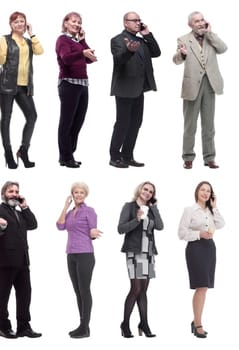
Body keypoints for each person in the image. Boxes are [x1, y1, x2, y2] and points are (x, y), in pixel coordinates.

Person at [0, 11, 43, 169]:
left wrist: (32, 34)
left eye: (22, 21)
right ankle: (8, 152)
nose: (20, 24)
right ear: (11, 25)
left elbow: (40, 52)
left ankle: (24, 150)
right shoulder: (5, 39)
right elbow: (1, 61)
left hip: (24, 86)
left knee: (32, 116)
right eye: (16, 22)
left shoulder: (28, 41)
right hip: (6, 85)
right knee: (6, 118)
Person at [173, 12, 227, 169]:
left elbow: (223, 49)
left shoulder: (211, 37)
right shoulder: (183, 39)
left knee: (209, 125)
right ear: (190, 24)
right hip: (192, 87)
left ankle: (209, 157)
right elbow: (175, 60)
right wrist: (181, 54)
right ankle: (188, 157)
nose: (200, 23)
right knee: (190, 125)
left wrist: (210, 33)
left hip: (210, 84)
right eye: (197, 21)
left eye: (202, 19)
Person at [108, 12, 160, 168]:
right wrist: (129, 51)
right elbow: (119, 59)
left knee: (136, 123)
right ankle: (115, 157)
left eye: (139, 20)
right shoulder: (117, 40)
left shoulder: (141, 40)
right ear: (125, 23)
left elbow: (156, 53)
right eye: (134, 20)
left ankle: (128, 156)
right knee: (122, 123)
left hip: (139, 88)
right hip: (124, 88)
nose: (138, 23)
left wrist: (148, 34)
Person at [0, 181, 41, 338]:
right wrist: (2, 226)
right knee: (3, 295)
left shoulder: (19, 212)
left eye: (16, 191)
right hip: (5, 260)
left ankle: (24, 327)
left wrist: (25, 207)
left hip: (23, 260)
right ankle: (4, 328)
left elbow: (33, 225)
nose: (14, 194)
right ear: (4, 193)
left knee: (25, 294)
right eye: (10, 191)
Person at [177, 181, 224, 338]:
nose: (205, 193)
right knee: (201, 285)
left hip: (210, 248)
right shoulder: (189, 210)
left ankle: (195, 321)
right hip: (195, 249)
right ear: (197, 191)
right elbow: (181, 233)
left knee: (205, 287)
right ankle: (198, 324)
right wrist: (199, 234)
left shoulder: (211, 211)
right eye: (203, 190)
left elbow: (221, 224)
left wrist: (215, 206)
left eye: (208, 191)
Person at [55, 182, 102, 338]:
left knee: (84, 290)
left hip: (85, 254)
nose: (79, 194)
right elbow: (60, 226)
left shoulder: (89, 211)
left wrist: (93, 232)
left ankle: (84, 326)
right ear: (72, 194)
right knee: (77, 291)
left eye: (82, 192)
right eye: (76, 192)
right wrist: (65, 207)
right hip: (71, 254)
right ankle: (83, 326)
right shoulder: (69, 213)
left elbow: (92, 231)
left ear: (85, 194)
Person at [117, 181, 163, 338]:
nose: (148, 193)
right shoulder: (129, 207)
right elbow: (120, 229)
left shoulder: (150, 209)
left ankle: (144, 323)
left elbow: (160, 226)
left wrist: (154, 207)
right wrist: (136, 219)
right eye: (145, 189)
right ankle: (125, 324)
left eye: (151, 191)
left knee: (143, 290)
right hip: (134, 252)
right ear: (139, 190)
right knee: (136, 289)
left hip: (148, 252)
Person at [56, 12, 97, 168]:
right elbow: (66, 58)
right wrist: (81, 52)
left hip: (82, 84)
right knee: (67, 122)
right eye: (74, 21)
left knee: (78, 121)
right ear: (66, 23)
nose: (77, 24)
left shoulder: (77, 41)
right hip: (69, 84)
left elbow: (90, 58)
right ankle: (66, 156)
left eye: (79, 22)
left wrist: (83, 42)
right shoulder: (62, 40)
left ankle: (68, 154)